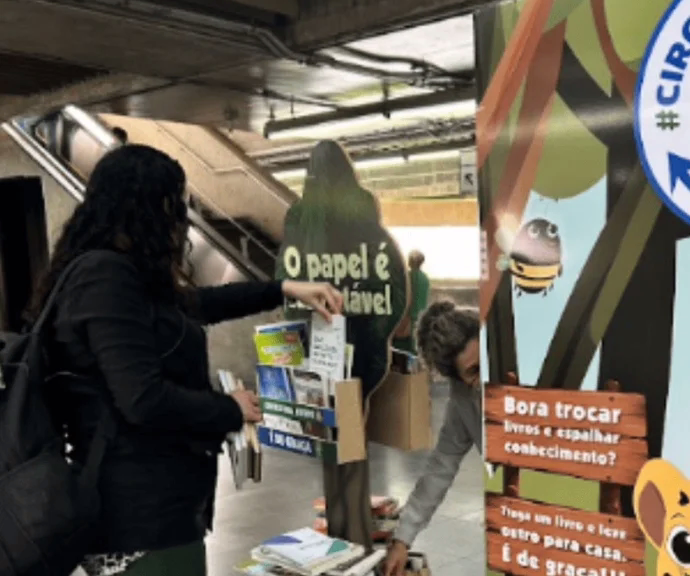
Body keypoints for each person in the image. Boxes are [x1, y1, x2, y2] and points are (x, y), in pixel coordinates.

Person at [29, 144, 343, 576]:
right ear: (148, 205)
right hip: (141, 520)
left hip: (154, 509)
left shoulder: (119, 275)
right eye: (175, 203)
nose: (181, 217)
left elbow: (193, 305)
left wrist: (283, 288)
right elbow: (142, 399)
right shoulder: (106, 276)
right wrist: (229, 409)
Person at [383, 300, 481, 576]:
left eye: (486, 359)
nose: (485, 377)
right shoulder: (463, 402)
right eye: (473, 371)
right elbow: (440, 469)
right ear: (456, 379)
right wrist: (402, 539)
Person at [395, 251, 431, 354]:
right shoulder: (425, 278)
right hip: (422, 316)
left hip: (410, 316)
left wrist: (405, 318)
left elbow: (409, 298)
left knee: (405, 347)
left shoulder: (409, 276)